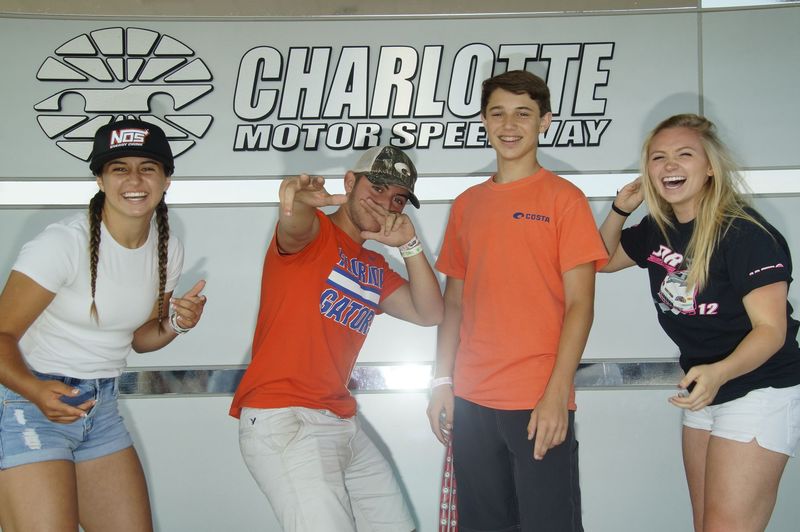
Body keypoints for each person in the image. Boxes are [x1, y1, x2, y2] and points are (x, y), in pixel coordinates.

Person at [0, 118, 207, 532]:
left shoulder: (168, 249)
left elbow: (140, 338)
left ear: (167, 179)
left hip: (102, 411)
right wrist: (37, 391)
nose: (134, 179)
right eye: (119, 168)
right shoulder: (62, 243)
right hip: (28, 404)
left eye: (148, 167)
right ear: (100, 179)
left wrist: (178, 324)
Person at [599, 113, 800, 532]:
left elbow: (771, 330)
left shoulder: (746, 234)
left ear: (710, 166)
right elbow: (599, 261)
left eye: (684, 154)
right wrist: (620, 209)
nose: (669, 165)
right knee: (707, 525)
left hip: (760, 389)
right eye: (659, 157)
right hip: (705, 390)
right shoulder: (658, 228)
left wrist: (718, 372)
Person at [427, 70, 608, 532]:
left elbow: (580, 306)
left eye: (523, 113)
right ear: (484, 122)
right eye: (498, 113)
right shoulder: (468, 204)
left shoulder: (564, 199)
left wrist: (555, 395)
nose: (510, 125)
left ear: (545, 121)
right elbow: (453, 305)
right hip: (471, 400)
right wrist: (441, 382)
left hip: (537, 401)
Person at [230, 145, 443, 532]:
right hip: (285, 418)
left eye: (397, 199)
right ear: (349, 182)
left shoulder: (374, 265)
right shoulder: (315, 233)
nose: (385, 203)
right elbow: (294, 227)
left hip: (341, 420)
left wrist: (411, 246)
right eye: (376, 188)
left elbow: (430, 313)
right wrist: (300, 203)